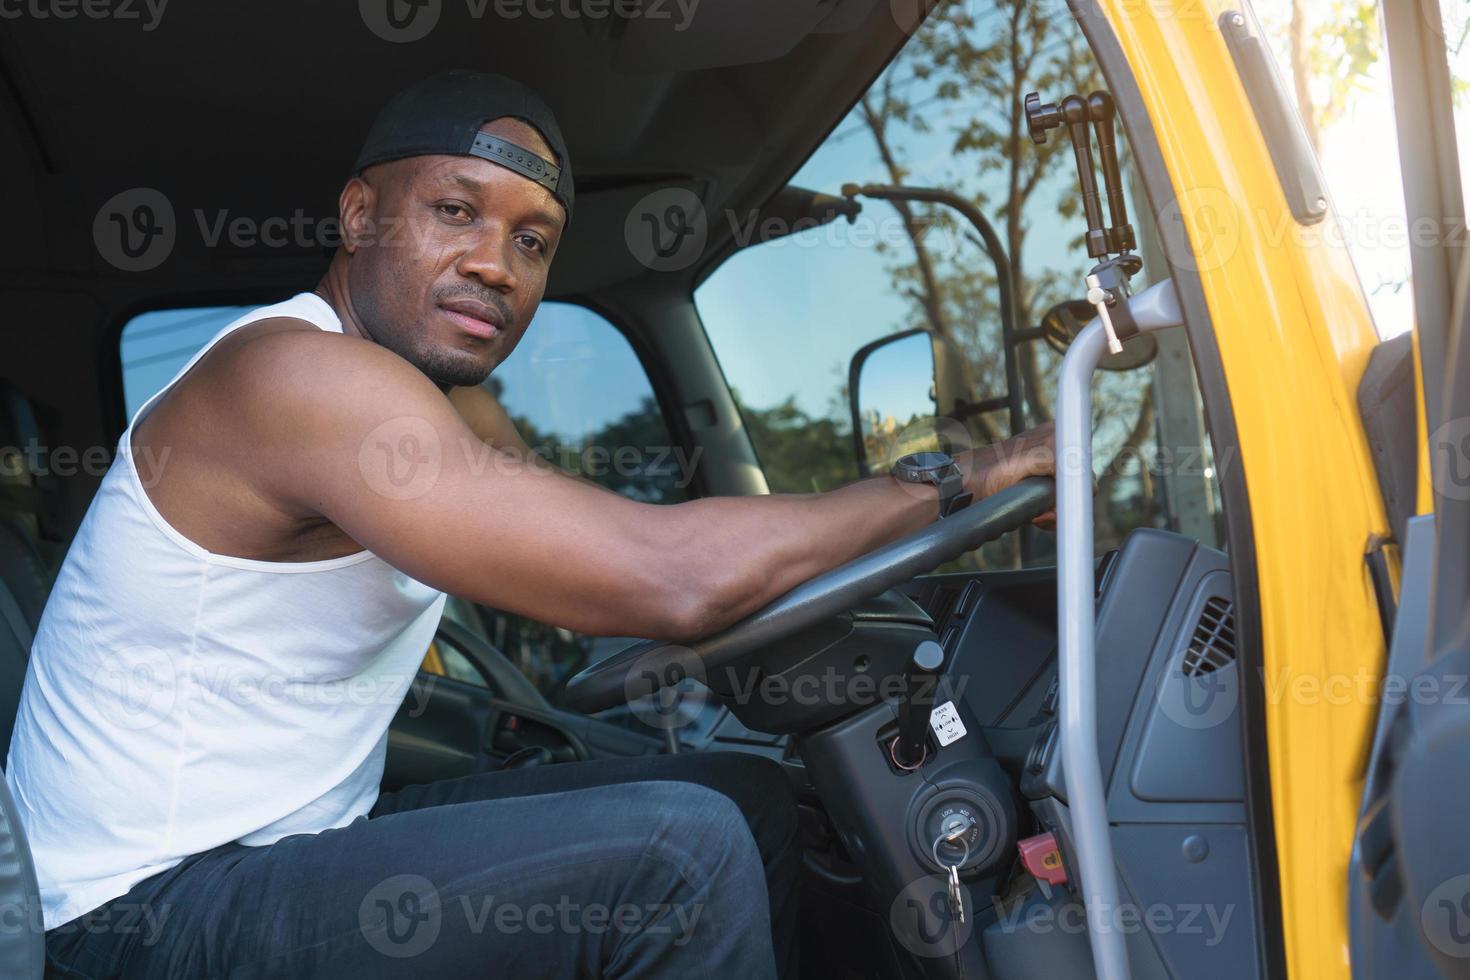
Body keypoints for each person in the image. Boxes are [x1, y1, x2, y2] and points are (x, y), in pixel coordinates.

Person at [10, 69, 1055, 978]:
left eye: (532, 239)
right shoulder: (295, 379)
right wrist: (968, 475)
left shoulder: (426, 396)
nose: (496, 265)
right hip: (133, 920)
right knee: (679, 857)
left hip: (280, 846)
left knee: (744, 794)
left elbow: (600, 547)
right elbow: (671, 576)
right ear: (361, 214)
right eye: (454, 212)